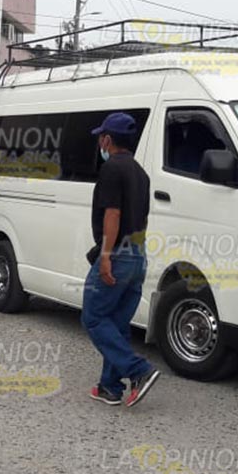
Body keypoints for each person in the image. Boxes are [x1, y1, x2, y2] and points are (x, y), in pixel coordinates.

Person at [82, 112, 160, 408]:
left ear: (108, 140)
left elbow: (112, 213)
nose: (99, 142)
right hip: (138, 255)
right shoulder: (141, 173)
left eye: (101, 136)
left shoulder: (112, 169)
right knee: (116, 322)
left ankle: (139, 371)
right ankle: (109, 387)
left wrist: (105, 256)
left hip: (117, 255)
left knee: (93, 317)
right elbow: (143, 218)